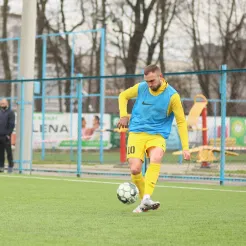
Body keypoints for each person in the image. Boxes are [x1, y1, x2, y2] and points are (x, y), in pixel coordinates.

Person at [118, 64, 190, 213]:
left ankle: (145, 199)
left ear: (161, 77)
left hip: (157, 135)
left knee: (156, 157)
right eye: (147, 81)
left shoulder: (172, 96)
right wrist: (123, 115)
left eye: (152, 81)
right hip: (136, 133)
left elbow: (181, 121)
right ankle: (145, 201)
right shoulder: (141, 87)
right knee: (135, 168)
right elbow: (123, 96)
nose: (149, 84)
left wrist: (186, 147)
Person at [0, 99, 15, 173]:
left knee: (9, 152)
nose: (2, 104)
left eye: (3, 103)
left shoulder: (10, 112)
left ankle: (10, 167)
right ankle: (1, 167)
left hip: (6, 136)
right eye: (1, 103)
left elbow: (11, 124)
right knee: (0, 153)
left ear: (7, 103)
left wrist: (8, 134)